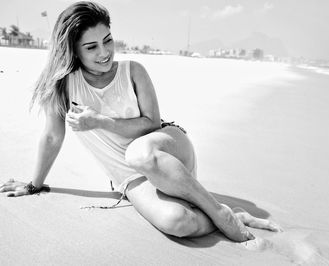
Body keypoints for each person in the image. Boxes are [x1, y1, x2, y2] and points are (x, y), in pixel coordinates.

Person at [0, 1, 282, 242]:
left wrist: (99, 121)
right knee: (178, 223)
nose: (104, 52)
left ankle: (221, 215)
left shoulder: (133, 71)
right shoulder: (62, 87)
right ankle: (225, 213)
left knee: (140, 153)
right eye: (92, 46)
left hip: (168, 151)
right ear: (73, 50)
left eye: (108, 40)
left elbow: (151, 124)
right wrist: (34, 184)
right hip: (130, 178)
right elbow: (51, 137)